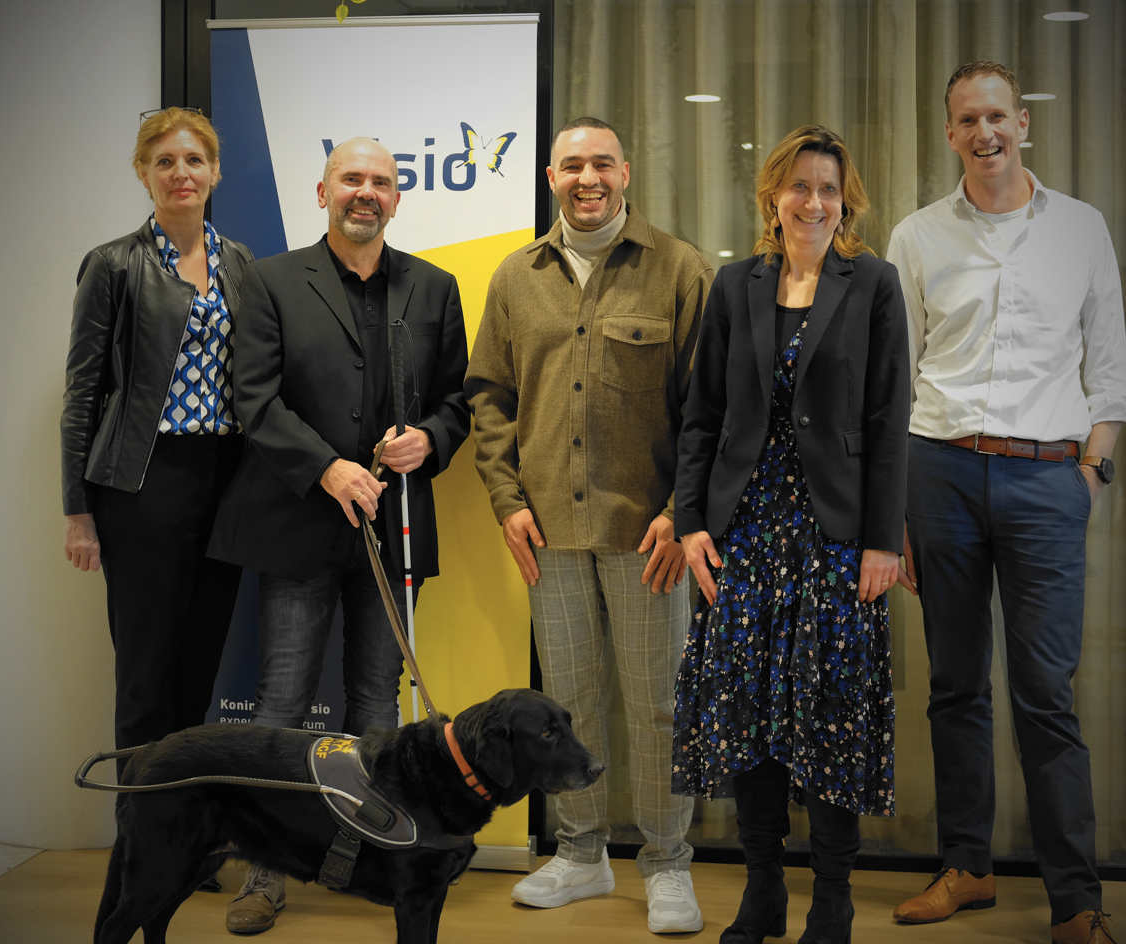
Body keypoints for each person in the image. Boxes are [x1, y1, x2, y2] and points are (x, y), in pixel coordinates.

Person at [886, 62, 1126, 944]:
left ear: (1022, 124)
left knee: (1044, 695)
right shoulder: (915, 236)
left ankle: (1075, 901)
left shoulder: (1080, 229)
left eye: (996, 115)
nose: (983, 131)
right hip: (939, 474)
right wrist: (897, 513)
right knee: (954, 688)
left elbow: (1110, 372)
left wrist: (1089, 472)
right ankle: (968, 870)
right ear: (949, 133)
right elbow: (895, 381)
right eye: (966, 119)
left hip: (1046, 479)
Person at [206, 136, 470, 933]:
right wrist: (327, 468)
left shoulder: (433, 286)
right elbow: (252, 397)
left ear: (398, 198)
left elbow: (459, 398)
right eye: (351, 179)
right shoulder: (272, 279)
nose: (367, 192)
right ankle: (265, 872)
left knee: (374, 706)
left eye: (382, 182)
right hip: (297, 521)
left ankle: (373, 859)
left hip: (391, 529)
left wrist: (430, 437)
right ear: (322, 192)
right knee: (283, 701)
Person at [465, 117, 712, 934]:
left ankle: (667, 864)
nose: (587, 177)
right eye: (572, 165)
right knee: (562, 706)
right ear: (550, 176)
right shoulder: (514, 277)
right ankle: (580, 854)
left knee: (657, 708)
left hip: (651, 540)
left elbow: (708, 409)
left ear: (626, 172)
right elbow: (489, 399)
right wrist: (506, 499)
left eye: (601, 162)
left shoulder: (678, 269)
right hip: (550, 537)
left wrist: (683, 511)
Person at [672, 125, 909, 944]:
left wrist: (884, 538)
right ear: (772, 196)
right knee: (750, 719)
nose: (814, 202)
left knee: (833, 716)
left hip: (837, 537)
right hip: (744, 537)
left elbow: (889, 417)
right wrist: (693, 523)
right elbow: (700, 417)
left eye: (829, 190)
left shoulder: (871, 282)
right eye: (799, 186)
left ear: (845, 202)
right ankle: (761, 891)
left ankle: (833, 898)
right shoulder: (734, 284)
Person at [61, 106, 253, 788]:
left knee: (199, 667)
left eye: (194, 160)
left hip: (224, 483)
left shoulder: (241, 264)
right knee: (146, 674)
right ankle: (142, 833)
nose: (181, 173)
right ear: (143, 174)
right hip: (141, 485)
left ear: (215, 171)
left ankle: (187, 828)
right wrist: (78, 511)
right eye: (165, 161)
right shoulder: (113, 265)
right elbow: (82, 394)